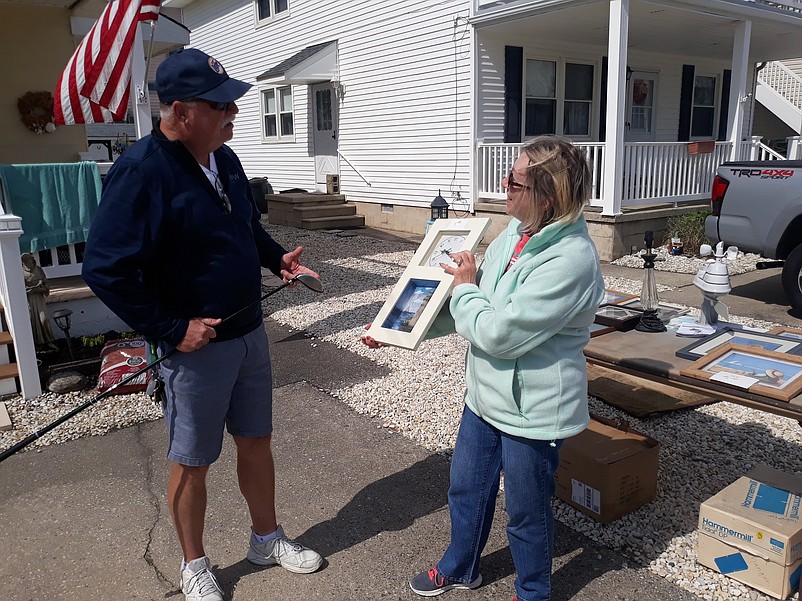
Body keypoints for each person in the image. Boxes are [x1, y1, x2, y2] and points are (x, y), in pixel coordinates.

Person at [81, 48, 323, 601]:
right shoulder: (142, 171)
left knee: (256, 441)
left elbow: (244, 227)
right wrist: (171, 328)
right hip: (196, 347)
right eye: (220, 106)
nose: (232, 115)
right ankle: (194, 563)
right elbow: (105, 268)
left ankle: (267, 537)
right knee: (192, 460)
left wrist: (275, 258)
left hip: (249, 334)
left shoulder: (224, 156)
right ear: (182, 111)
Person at [362, 135, 605, 601]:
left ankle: (533, 591)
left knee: (527, 512)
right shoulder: (515, 233)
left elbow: (497, 334)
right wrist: (399, 325)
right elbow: (465, 306)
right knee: (466, 489)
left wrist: (466, 285)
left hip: (532, 409)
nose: (503, 187)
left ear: (547, 196)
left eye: (513, 181)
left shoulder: (571, 259)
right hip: (484, 395)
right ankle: (461, 567)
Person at [21, 252, 56, 348]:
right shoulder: (21, 273)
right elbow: (20, 289)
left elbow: (46, 283)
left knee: (43, 319)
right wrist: (30, 290)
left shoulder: (39, 270)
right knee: (32, 320)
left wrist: (42, 288)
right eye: (28, 262)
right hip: (29, 300)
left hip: (39, 298)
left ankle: (49, 340)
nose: (30, 264)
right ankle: (37, 343)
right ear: (24, 263)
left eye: (32, 262)